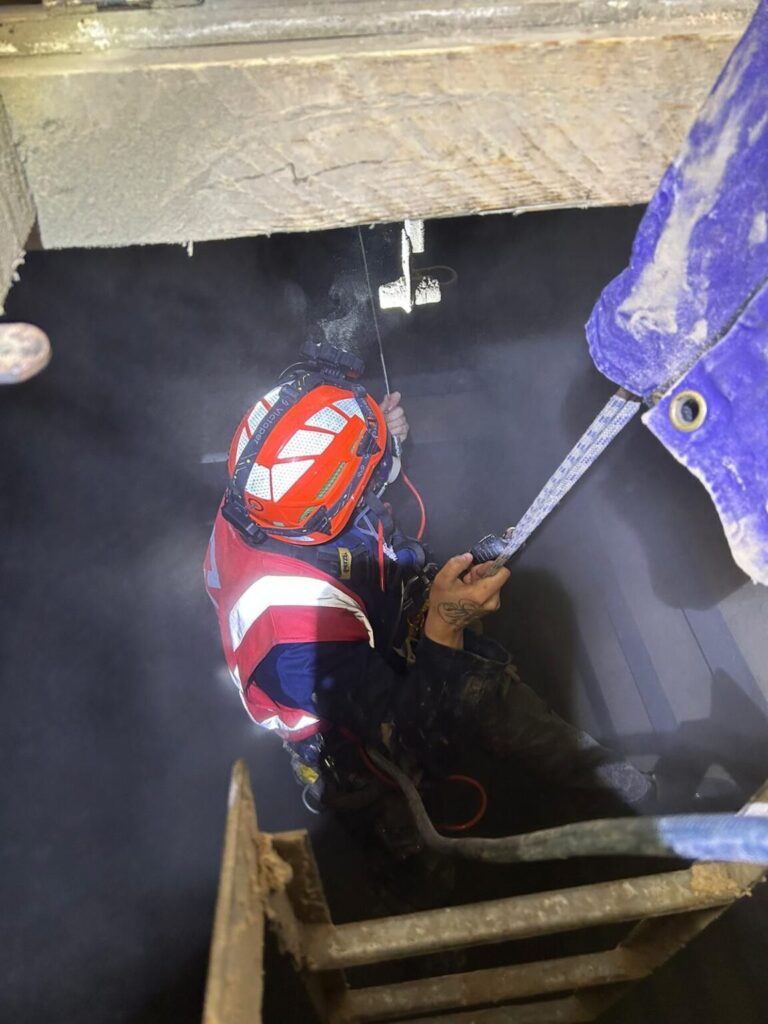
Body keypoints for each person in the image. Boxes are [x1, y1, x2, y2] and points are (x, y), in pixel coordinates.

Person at [204, 342, 654, 819]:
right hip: (361, 731)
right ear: (327, 515)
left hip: (371, 617)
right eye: (372, 479)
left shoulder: (264, 500)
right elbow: (409, 726)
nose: (383, 478)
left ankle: (609, 784)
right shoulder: (295, 646)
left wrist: (375, 434)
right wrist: (445, 621)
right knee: (405, 807)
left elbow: (333, 482)